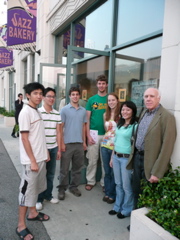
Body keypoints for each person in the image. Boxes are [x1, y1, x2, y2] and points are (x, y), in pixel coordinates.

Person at [127, 88, 176, 210]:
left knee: (148, 193)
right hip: (138, 157)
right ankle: (135, 216)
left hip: (151, 161)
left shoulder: (166, 117)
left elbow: (167, 146)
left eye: (152, 96)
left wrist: (157, 172)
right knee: (136, 189)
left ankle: (143, 220)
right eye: (146, 96)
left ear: (159, 98)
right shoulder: (144, 112)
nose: (148, 99)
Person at [16, 82, 50, 240]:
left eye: (40, 93)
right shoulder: (25, 112)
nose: (39, 96)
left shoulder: (36, 111)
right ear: (28, 95)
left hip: (40, 157)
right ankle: (21, 225)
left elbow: (37, 136)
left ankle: (33, 213)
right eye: (35, 93)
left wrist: (45, 153)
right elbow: (24, 139)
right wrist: (33, 161)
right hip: (32, 162)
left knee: (36, 189)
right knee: (26, 193)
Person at [109, 101, 137, 219]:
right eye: (123, 109)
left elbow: (135, 146)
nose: (125, 112)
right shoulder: (119, 125)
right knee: (118, 184)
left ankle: (126, 210)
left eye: (128, 110)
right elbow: (115, 142)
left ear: (133, 111)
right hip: (116, 157)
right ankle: (117, 206)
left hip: (126, 160)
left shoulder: (135, 126)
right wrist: (112, 157)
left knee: (126, 186)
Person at [57, 86, 87, 200]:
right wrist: (62, 143)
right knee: (64, 169)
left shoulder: (83, 111)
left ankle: (73, 187)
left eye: (77, 94)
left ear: (79, 96)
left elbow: (83, 127)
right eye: (73, 94)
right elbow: (60, 128)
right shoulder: (64, 110)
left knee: (77, 168)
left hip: (79, 144)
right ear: (69, 96)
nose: (75, 96)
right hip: (67, 144)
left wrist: (84, 142)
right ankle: (61, 189)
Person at [36, 87, 62, 211]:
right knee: (41, 175)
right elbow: (37, 133)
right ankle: (39, 199)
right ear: (44, 98)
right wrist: (44, 149)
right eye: (49, 96)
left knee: (51, 174)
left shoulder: (57, 113)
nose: (51, 99)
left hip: (53, 147)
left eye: (53, 96)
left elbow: (59, 132)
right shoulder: (38, 112)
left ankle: (48, 195)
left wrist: (59, 149)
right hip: (42, 149)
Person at [85, 74, 108, 191]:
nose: (101, 85)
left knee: (105, 161)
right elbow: (87, 119)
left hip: (107, 135)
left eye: (103, 83)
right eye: (99, 83)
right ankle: (90, 181)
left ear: (106, 85)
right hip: (94, 133)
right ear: (97, 84)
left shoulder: (110, 99)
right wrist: (88, 135)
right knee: (92, 160)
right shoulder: (92, 100)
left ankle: (104, 183)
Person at [101, 93, 120, 204]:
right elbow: (106, 130)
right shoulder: (105, 115)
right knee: (107, 171)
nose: (111, 102)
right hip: (105, 145)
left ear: (117, 101)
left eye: (113, 100)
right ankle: (107, 193)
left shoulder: (121, 115)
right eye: (109, 100)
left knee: (113, 172)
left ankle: (112, 194)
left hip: (116, 147)